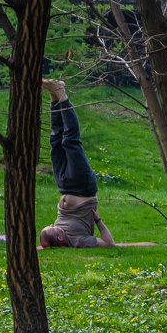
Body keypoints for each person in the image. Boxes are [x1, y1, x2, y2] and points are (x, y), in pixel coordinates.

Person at [38, 79, 115, 248]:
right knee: (70, 141)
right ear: (60, 239)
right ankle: (62, 94)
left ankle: (53, 96)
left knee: (56, 140)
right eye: (52, 228)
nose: (52, 225)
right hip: (82, 186)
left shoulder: (61, 237)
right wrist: (98, 221)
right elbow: (110, 245)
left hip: (64, 185)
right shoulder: (78, 241)